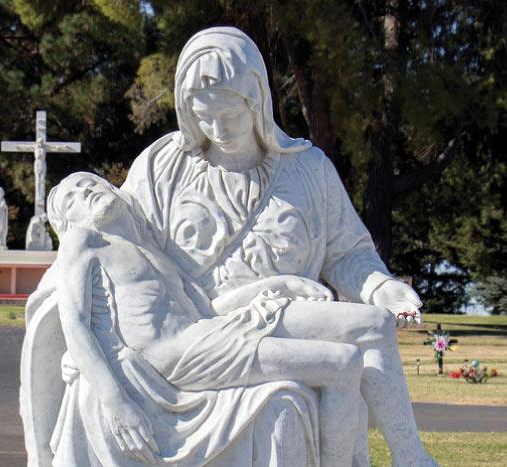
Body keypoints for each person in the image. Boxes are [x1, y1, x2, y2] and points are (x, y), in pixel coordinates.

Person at [119, 26, 435, 466]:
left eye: (228, 115)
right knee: (343, 353)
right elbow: (112, 242)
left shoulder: (307, 170)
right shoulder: (162, 168)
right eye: (203, 117)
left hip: (279, 322)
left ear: (257, 100)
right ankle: (413, 459)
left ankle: (411, 457)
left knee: (370, 328)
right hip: (199, 331)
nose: (217, 129)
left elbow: (348, 254)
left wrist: (383, 287)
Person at [48, 172, 364, 465]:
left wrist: (276, 285)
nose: (85, 190)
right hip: (177, 356)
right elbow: (75, 322)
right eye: (71, 198)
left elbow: (208, 310)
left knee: (343, 355)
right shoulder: (82, 241)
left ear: (112, 188)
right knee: (343, 363)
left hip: (206, 339)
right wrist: (115, 400)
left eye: (89, 182)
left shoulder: (152, 252)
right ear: (67, 222)